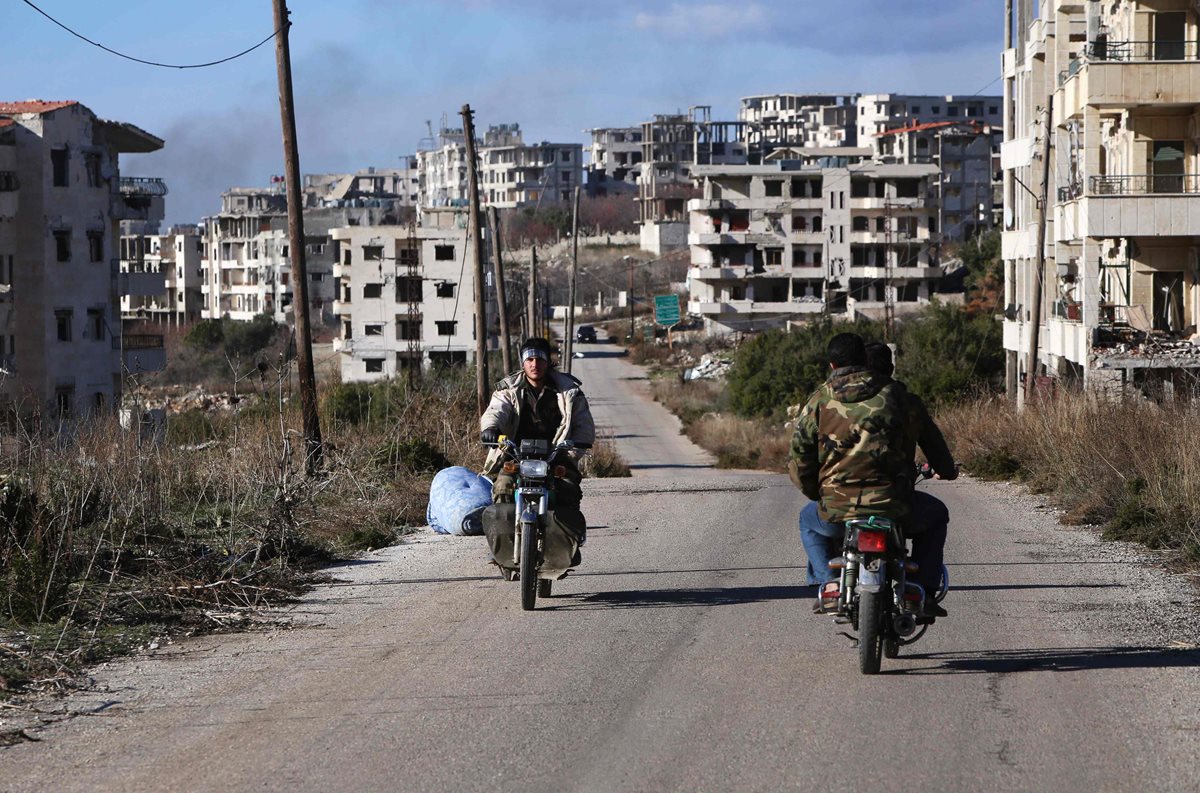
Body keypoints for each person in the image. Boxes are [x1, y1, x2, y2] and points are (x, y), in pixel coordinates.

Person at [790, 333, 955, 618]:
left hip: (838, 510)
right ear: (865, 361)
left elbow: (799, 460)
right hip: (896, 507)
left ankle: (827, 582)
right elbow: (934, 445)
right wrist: (947, 471)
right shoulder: (900, 398)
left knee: (808, 520)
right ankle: (923, 589)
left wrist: (819, 495)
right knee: (936, 514)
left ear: (831, 365)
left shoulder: (818, 401)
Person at [480, 336, 595, 522]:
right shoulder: (509, 389)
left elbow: (584, 425)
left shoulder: (569, 391)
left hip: (556, 456)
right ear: (523, 363)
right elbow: (496, 410)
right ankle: (506, 545)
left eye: (540, 358)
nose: (535, 364)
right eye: (530, 359)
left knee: (568, 489)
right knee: (502, 487)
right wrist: (491, 427)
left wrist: (573, 449)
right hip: (516, 456)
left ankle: (567, 544)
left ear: (548, 362)